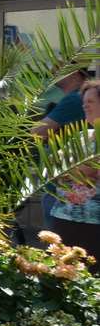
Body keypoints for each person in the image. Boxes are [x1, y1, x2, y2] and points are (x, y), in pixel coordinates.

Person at [48, 79, 100, 252]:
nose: (85, 106)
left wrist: (67, 169)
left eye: (91, 102)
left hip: (95, 225)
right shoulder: (82, 136)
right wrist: (84, 169)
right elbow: (50, 171)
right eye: (84, 102)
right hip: (64, 219)